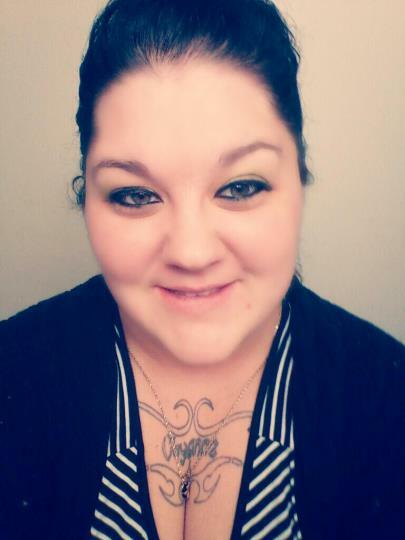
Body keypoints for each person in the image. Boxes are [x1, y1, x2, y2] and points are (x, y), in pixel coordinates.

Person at [0, 0, 404, 539]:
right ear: (87, 197)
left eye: (240, 187)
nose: (191, 253)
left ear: (299, 178)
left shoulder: (388, 400)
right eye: (135, 194)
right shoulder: (12, 375)